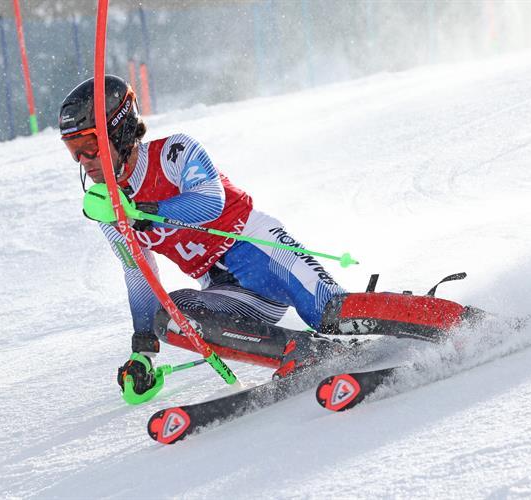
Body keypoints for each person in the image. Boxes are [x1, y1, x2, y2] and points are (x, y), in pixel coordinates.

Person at [59, 75, 464, 403]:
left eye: (88, 145)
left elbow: (210, 203)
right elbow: (139, 272)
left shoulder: (174, 153)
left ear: (120, 128)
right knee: (172, 318)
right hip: (228, 291)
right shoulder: (106, 207)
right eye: (73, 150)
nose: (83, 161)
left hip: (263, 250)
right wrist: (142, 348)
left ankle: (449, 319)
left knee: (331, 314)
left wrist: (147, 212)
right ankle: (306, 352)